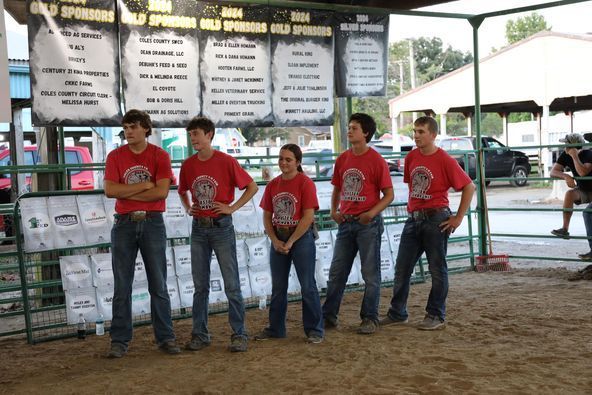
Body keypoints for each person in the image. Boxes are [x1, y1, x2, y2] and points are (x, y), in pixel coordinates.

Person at [381, 116, 475, 331]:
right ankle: (398, 312)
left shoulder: (444, 160)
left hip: (436, 218)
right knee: (402, 268)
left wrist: (458, 217)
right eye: (415, 131)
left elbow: (469, 186)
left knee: (437, 268)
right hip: (414, 218)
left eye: (421, 131)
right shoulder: (412, 157)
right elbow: (412, 184)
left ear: (433, 135)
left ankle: (435, 314)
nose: (416, 135)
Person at [103, 109, 180, 358]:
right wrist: (144, 185)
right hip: (125, 222)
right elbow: (109, 190)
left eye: (133, 127)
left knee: (158, 283)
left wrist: (128, 191)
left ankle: (165, 337)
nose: (128, 132)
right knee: (121, 284)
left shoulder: (160, 155)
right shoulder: (115, 156)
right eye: (125, 128)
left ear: (146, 128)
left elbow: (161, 193)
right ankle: (120, 339)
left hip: (151, 221)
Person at [178, 116, 258, 353]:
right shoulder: (188, 165)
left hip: (221, 224)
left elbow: (251, 186)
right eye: (191, 134)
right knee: (200, 285)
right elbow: (182, 190)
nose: (193, 138)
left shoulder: (226, 161)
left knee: (231, 283)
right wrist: (187, 207)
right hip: (199, 227)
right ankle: (200, 334)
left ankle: (239, 333)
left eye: (197, 134)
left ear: (209, 134)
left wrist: (231, 207)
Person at [322, 113, 394, 335]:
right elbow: (337, 187)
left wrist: (370, 214)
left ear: (366, 133)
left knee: (370, 273)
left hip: (367, 224)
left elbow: (388, 194)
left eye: (354, 127)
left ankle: (369, 317)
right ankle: (328, 316)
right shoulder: (343, 159)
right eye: (349, 126)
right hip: (347, 222)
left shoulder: (376, 161)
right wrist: (334, 210)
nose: (349, 130)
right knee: (337, 272)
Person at [254, 144, 324, 344]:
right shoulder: (273, 185)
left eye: (288, 159)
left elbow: (308, 215)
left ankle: (314, 329)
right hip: (279, 236)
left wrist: (291, 240)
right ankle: (276, 328)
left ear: (298, 163)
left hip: (300, 237)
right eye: (281, 158)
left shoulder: (305, 183)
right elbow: (267, 216)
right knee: (278, 286)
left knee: (307, 285)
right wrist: (275, 240)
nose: (283, 162)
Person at [549, 133, 592, 240]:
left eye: (566, 145)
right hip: (584, 189)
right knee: (569, 194)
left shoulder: (589, 154)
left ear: (573, 146)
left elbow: (583, 172)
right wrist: (566, 176)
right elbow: (553, 172)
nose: (565, 147)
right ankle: (565, 229)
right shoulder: (565, 154)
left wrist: (574, 156)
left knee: (588, 214)